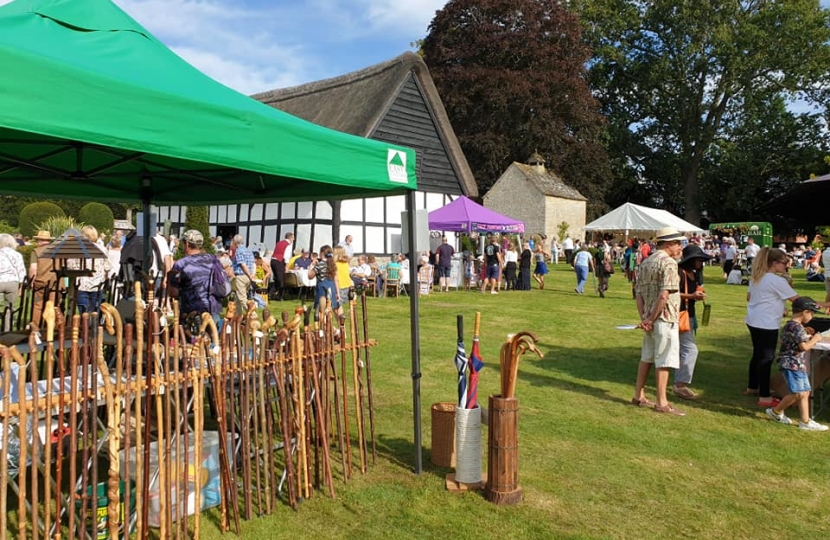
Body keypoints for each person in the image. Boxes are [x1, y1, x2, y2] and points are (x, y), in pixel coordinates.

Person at [745, 247, 830, 408]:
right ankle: (764, 396)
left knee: (757, 354)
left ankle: (752, 387)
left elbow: (750, 297)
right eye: (785, 263)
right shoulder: (777, 281)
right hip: (766, 323)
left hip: (753, 320)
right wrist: (824, 304)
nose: (787, 266)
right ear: (775, 263)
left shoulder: (757, 277)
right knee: (766, 358)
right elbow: (798, 301)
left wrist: (776, 305)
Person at [631, 227, 686, 416]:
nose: (681, 247)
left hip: (650, 318)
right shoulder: (669, 263)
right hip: (664, 318)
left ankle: (638, 395)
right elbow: (664, 295)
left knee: (646, 357)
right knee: (664, 360)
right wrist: (652, 318)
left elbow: (638, 294)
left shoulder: (646, 262)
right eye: (679, 243)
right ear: (669, 244)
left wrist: (645, 318)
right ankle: (661, 402)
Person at [765, 297, 828, 431]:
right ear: (804, 312)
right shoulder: (796, 327)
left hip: (797, 363)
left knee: (805, 392)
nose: (812, 316)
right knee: (798, 393)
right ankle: (776, 411)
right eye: (812, 313)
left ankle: (805, 421)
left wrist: (807, 336)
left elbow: (794, 341)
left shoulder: (792, 325)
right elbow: (804, 347)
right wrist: (816, 338)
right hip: (791, 363)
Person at [673, 244, 712, 400]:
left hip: (688, 315)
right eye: (699, 259)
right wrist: (692, 296)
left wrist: (698, 294)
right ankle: (680, 385)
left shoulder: (693, 274)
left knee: (681, 349)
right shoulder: (679, 273)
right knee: (690, 350)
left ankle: (678, 382)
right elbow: (671, 293)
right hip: (680, 314)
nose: (701, 262)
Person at [167, 229, 230, 324]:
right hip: (213, 308)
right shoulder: (214, 260)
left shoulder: (181, 264)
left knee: (191, 338)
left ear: (187, 244)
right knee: (214, 337)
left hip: (191, 313)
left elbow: (173, 293)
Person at [76, 225, 112, 315]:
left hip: (83, 284)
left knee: (84, 313)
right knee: (95, 312)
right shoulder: (102, 249)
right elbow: (107, 267)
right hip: (98, 285)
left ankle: (84, 327)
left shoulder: (79, 249)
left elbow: (73, 266)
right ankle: (93, 327)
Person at [29, 230, 60, 327]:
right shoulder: (57, 251)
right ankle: (52, 328)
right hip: (56, 282)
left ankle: (35, 327)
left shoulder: (36, 251)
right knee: (54, 305)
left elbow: (33, 268)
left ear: (40, 240)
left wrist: (31, 281)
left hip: (40, 282)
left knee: (38, 305)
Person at [0, 233, 26, 329]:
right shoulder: (17, 255)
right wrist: (21, 286)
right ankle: (8, 329)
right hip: (12, 282)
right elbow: (21, 271)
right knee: (10, 307)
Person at [308, 245, 341, 315]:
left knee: (321, 311)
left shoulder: (320, 265)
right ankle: (340, 325)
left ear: (322, 254)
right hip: (332, 288)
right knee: (335, 309)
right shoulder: (333, 264)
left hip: (322, 289)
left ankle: (324, 325)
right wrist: (338, 292)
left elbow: (310, 276)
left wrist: (311, 266)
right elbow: (336, 279)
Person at [230, 234, 256, 314]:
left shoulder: (239, 251)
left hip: (241, 276)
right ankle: (238, 315)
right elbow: (253, 264)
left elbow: (242, 264)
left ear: (234, 242)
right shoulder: (248, 251)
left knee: (242, 298)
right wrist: (252, 275)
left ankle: (253, 315)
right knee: (238, 298)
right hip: (248, 276)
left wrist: (249, 275)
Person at [270, 232, 293, 301]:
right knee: (281, 280)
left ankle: (271, 293)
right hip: (279, 261)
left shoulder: (279, 243)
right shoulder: (288, 244)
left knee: (277, 279)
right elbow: (286, 256)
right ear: (291, 237)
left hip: (273, 260)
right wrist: (286, 266)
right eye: (293, 238)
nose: (293, 239)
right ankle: (280, 296)